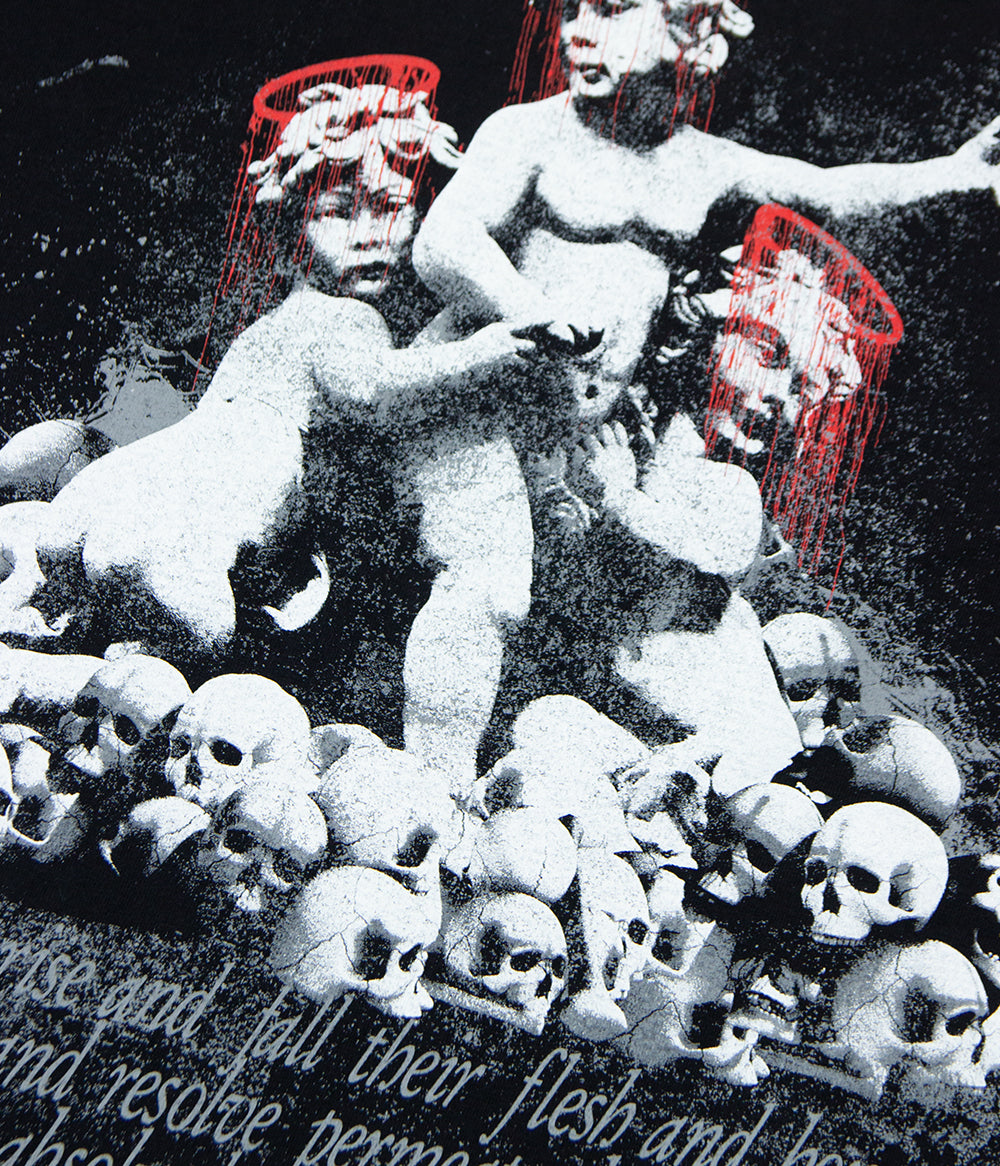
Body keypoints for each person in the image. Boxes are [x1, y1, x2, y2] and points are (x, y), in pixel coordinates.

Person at [24, 80, 534, 802]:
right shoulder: (343, 319)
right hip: (177, 537)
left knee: (106, 652)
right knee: (183, 656)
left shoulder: (269, 326)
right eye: (336, 211)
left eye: (390, 209)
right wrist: (487, 351)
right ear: (293, 229)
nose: (368, 232)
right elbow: (375, 392)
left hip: (109, 498)